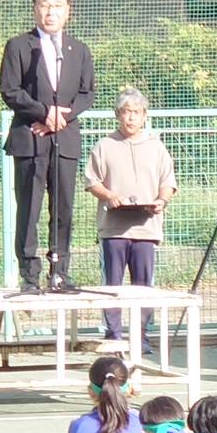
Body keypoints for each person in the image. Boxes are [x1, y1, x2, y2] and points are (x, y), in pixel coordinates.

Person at [0, 0, 96, 294]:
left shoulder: (78, 50)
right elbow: (10, 91)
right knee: (29, 208)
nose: (50, 12)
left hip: (64, 139)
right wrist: (43, 113)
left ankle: (60, 271)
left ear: (68, 11)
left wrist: (59, 118)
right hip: (29, 139)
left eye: (57, 5)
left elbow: (86, 93)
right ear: (34, 9)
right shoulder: (19, 46)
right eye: (44, 4)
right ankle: (29, 274)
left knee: (64, 207)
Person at [84, 86, 177, 346]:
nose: (131, 118)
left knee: (143, 285)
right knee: (112, 284)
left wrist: (161, 200)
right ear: (118, 115)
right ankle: (113, 334)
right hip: (113, 229)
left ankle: (141, 336)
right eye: (126, 112)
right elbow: (92, 181)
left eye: (136, 112)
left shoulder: (157, 147)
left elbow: (167, 182)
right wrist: (109, 195)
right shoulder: (104, 146)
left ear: (145, 115)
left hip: (147, 229)